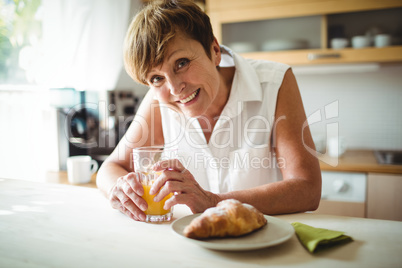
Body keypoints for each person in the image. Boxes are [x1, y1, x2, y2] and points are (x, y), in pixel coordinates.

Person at [96, 0, 321, 222]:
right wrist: (122, 190)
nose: (175, 88)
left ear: (214, 50)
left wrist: (212, 201)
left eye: (181, 63)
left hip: (261, 245)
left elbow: (307, 188)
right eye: (156, 78)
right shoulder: (158, 99)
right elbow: (111, 167)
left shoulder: (275, 82)